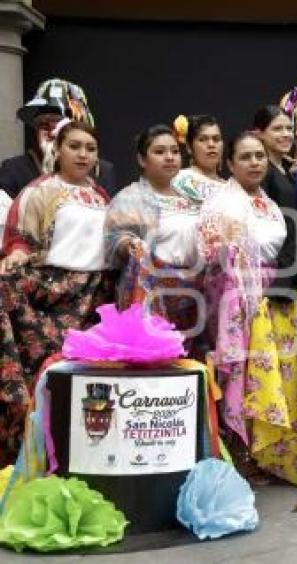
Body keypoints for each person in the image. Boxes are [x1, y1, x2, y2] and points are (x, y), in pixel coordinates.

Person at [0, 120, 113, 466]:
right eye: (75, 146)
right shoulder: (40, 191)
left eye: (90, 148)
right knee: (42, 375)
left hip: (93, 294)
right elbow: (20, 238)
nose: (83, 154)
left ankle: (74, 455)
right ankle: (27, 455)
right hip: (50, 293)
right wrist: (17, 256)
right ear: (57, 150)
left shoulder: (101, 195)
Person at [198, 131, 290, 484]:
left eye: (260, 157)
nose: (254, 163)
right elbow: (210, 254)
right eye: (246, 157)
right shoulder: (222, 202)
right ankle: (235, 451)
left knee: (265, 370)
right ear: (231, 164)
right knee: (237, 369)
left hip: (267, 292)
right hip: (233, 294)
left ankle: (263, 451)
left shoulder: (269, 202)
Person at [105, 124, 203, 340]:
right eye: (160, 152)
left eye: (175, 151)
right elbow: (113, 240)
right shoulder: (130, 197)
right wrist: (129, 244)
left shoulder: (194, 197)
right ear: (142, 160)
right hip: (154, 285)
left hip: (195, 290)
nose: (169, 157)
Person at [0, 78, 117, 198]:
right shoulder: (14, 168)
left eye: (58, 124)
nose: (51, 132)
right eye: (44, 125)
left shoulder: (101, 171)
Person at [171, 114, 226, 201]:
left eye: (216, 139)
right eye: (203, 139)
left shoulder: (231, 188)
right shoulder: (178, 180)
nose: (211, 145)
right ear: (189, 147)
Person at [253, 104, 297, 210]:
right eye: (277, 129)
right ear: (259, 134)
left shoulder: (288, 169)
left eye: (289, 129)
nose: (286, 134)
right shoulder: (259, 170)